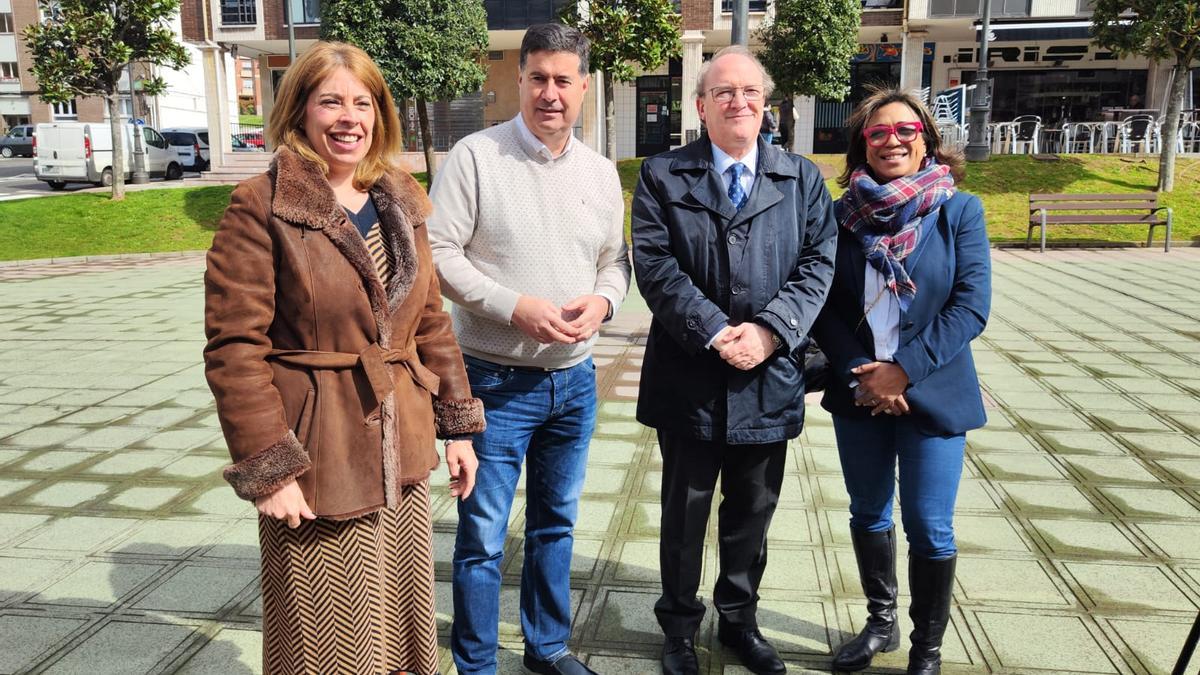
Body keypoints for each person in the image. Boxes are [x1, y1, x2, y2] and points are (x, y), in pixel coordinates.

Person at [203, 41, 485, 675]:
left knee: (401, 626)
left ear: (381, 114)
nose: (349, 117)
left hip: (404, 445)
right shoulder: (261, 204)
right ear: (300, 110)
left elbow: (431, 322)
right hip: (319, 454)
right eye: (330, 101)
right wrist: (268, 467)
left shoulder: (399, 197)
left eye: (363, 102)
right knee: (326, 643)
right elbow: (233, 348)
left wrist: (457, 426)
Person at [427, 23, 630, 675]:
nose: (550, 92)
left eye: (563, 79)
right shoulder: (476, 158)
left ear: (584, 87)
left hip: (573, 384)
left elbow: (613, 262)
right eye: (537, 77)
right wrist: (515, 306)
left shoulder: (600, 174)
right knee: (482, 537)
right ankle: (477, 663)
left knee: (555, 524)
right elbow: (437, 257)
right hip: (492, 383)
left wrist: (601, 303)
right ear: (521, 79)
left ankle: (547, 646)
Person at [631, 45, 837, 675]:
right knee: (684, 513)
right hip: (690, 375)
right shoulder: (663, 175)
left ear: (765, 105)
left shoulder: (799, 177)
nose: (738, 102)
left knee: (752, 513)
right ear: (700, 106)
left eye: (749, 91)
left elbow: (819, 261)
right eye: (723, 92)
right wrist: (717, 330)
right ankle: (677, 628)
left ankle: (739, 623)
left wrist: (772, 333)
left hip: (768, 377)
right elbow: (656, 264)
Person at [811, 87, 990, 675]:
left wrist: (903, 372)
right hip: (860, 389)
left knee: (930, 526)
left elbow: (970, 307)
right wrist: (861, 374)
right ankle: (881, 623)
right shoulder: (840, 217)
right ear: (862, 143)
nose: (893, 141)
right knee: (868, 512)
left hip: (933, 391)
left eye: (905, 131)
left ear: (927, 141)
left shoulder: (959, 210)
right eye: (878, 132)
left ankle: (927, 649)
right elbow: (826, 307)